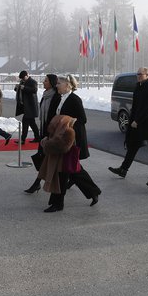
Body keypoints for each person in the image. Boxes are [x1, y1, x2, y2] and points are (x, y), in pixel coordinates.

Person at [41, 74, 101, 212]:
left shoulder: (74, 99)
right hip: (59, 140)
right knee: (70, 169)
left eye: (59, 83)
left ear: (68, 85)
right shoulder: (59, 99)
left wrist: (69, 123)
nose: (57, 85)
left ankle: (58, 203)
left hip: (70, 141)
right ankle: (93, 191)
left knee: (65, 170)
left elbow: (82, 120)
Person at [108, 67, 148, 178]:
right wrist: (133, 119)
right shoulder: (138, 86)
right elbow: (136, 105)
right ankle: (123, 169)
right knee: (133, 145)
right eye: (137, 74)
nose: (138, 76)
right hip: (139, 123)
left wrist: (137, 120)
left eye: (141, 74)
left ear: (147, 75)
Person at [24, 73, 59, 194]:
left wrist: (51, 132)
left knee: (45, 158)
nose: (43, 82)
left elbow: (55, 116)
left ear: (52, 83)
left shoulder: (56, 96)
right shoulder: (45, 95)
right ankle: (37, 183)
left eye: (46, 81)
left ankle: (37, 183)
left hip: (51, 133)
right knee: (42, 157)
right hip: (44, 131)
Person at [37, 114, 76, 204]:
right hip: (57, 159)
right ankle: (54, 202)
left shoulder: (69, 131)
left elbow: (62, 147)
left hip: (62, 161)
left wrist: (46, 144)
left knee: (61, 182)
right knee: (57, 180)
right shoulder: (59, 129)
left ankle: (58, 204)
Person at [14, 70, 40, 144]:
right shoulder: (22, 82)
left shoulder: (33, 82)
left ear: (26, 76)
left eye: (23, 78)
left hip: (30, 106)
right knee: (32, 123)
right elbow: (20, 90)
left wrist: (24, 88)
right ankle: (37, 137)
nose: (22, 80)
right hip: (25, 106)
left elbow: (34, 90)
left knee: (25, 122)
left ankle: (22, 140)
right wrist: (17, 88)